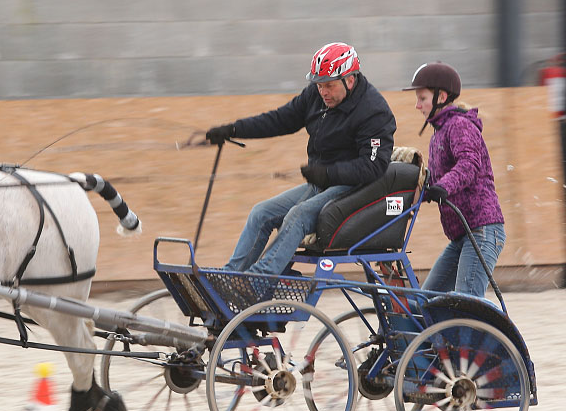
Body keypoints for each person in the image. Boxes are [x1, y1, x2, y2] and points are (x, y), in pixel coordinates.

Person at [201, 42, 396, 283]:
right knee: (261, 212)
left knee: (298, 215)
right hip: (321, 184)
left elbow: (373, 167)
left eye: (329, 86)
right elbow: (280, 119)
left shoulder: (374, 111)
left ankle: (256, 282)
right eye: (319, 85)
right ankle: (231, 277)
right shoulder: (315, 96)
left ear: (350, 79)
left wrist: (328, 174)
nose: (323, 92)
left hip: (353, 190)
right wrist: (233, 129)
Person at [403, 61, 505, 298]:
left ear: (442, 96)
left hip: (482, 230)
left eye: (422, 98)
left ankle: (474, 333)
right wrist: (421, 192)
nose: (417, 105)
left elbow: (469, 164)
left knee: (466, 301)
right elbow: (439, 178)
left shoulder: (459, 125)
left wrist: (442, 187)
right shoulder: (439, 131)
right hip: (462, 235)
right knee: (427, 301)